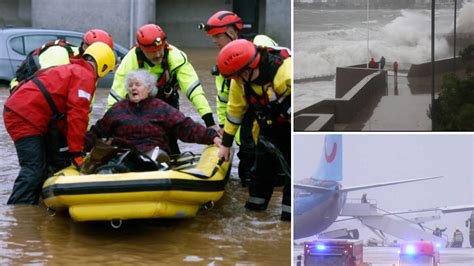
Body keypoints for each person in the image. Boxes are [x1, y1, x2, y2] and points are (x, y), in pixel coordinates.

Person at [3, 42, 116, 204]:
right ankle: (19, 214)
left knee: (46, 164)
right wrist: (77, 153)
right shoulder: (85, 76)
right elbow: (77, 116)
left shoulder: (73, 69)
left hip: (24, 112)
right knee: (33, 169)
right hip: (24, 116)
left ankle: (36, 207)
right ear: (104, 67)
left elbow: (65, 114)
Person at [199, 10, 278, 187]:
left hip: (272, 110)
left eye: (217, 36)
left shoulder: (261, 43)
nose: (214, 41)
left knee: (276, 167)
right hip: (247, 117)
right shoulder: (225, 62)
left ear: (232, 32)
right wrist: (222, 128)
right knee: (247, 169)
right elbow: (224, 98)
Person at [217, 39, 291, 221]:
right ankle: (254, 218)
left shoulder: (285, 74)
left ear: (247, 69)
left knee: (292, 176)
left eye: (235, 76)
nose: (233, 81)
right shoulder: (240, 81)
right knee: (260, 174)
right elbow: (234, 112)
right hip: (266, 129)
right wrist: (225, 145)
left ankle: (288, 222)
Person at [85, 70, 221, 159]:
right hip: (123, 156)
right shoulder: (117, 109)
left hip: (154, 156)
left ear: (149, 88)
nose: (133, 88)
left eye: (137, 85)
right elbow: (97, 131)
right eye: (131, 85)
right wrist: (77, 149)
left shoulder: (161, 108)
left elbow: (185, 126)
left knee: (155, 158)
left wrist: (212, 136)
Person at [10, 29, 114, 89]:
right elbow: (43, 88)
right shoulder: (61, 56)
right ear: (83, 46)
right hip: (21, 93)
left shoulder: (90, 71)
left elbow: (85, 106)